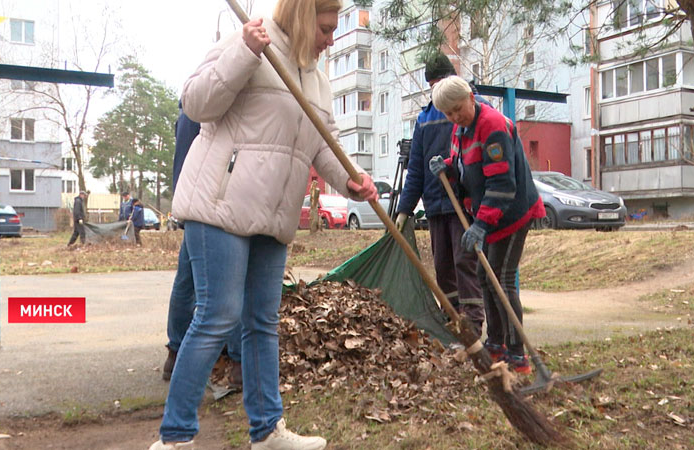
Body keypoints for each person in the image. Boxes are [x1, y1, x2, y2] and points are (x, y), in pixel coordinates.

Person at [149, 1, 378, 449]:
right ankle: (174, 438)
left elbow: (321, 145)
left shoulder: (317, 78)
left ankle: (267, 432)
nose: (331, 39)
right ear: (302, 16)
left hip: (273, 215)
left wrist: (351, 180)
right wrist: (244, 54)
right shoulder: (250, 40)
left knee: (261, 323)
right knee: (217, 316)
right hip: (221, 206)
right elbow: (196, 104)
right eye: (326, 28)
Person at [428, 76, 545, 374]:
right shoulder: (461, 129)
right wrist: (448, 170)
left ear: (470, 96)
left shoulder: (492, 125)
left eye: (457, 109)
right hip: (489, 214)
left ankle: (517, 354)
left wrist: (480, 224)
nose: (455, 117)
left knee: (501, 281)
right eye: (448, 114)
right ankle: (496, 343)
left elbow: (502, 183)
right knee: (484, 276)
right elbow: (467, 170)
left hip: (512, 212)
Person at [394, 52, 485, 338]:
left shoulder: (473, 107)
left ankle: (472, 325)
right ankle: (453, 326)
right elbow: (417, 170)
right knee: (444, 267)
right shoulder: (424, 118)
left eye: (440, 83)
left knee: (464, 262)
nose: (438, 92)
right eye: (433, 85)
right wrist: (404, 209)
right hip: (436, 204)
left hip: (464, 202)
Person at [162, 105, 243, 390]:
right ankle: (237, 364)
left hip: (195, 204)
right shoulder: (203, 111)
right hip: (213, 205)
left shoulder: (190, 112)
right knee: (230, 285)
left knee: (187, 282)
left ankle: (175, 355)